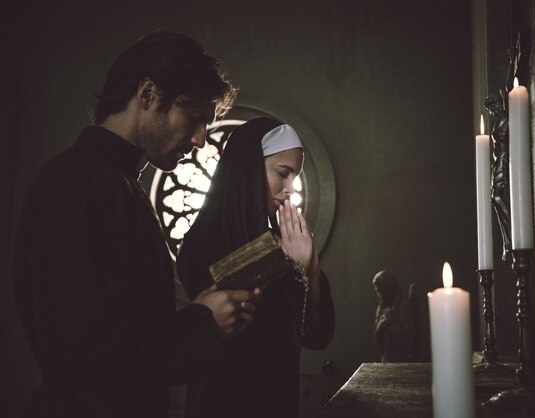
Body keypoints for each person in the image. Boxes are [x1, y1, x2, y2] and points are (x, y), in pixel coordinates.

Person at [13, 31, 260, 418]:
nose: (199, 140)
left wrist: (209, 316)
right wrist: (201, 322)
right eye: (194, 117)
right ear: (147, 95)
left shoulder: (119, 182)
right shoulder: (74, 180)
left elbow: (123, 330)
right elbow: (85, 350)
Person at [177, 117, 335, 418]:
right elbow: (245, 340)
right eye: (282, 173)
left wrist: (311, 271)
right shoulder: (201, 242)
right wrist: (292, 266)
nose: (292, 189)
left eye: (295, 177)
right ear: (248, 168)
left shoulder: (281, 242)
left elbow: (318, 335)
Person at [372, 270, 412, 363]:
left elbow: (408, 337)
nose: (381, 295)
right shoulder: (382, 306)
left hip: (399, 358)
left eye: (383, 291)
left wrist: (387, 324)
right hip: (385, 353)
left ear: (392, 288)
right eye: (378, 291)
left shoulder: (403, 306)